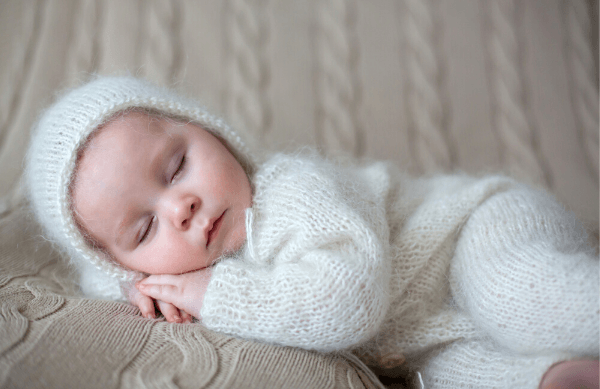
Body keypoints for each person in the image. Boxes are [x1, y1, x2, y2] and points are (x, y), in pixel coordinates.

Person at [26, 76, 599, 388]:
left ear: (213, 133)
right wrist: (136, 289)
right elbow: (102, 277)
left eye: (176, 167)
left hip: (473, 233)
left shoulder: (291, 189)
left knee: (516, 299)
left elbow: (345, 303)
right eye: (146, 225)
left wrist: (211, 294)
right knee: (467, 378)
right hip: (428, 333)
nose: (181, 205)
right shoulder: (178, 268)